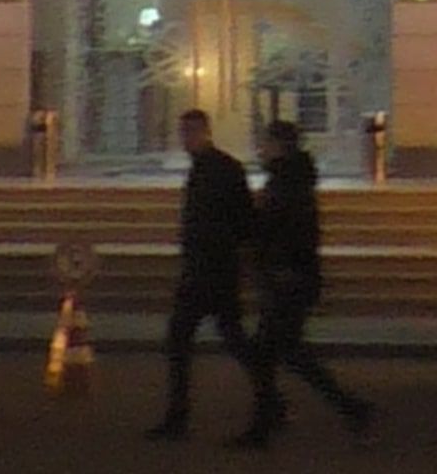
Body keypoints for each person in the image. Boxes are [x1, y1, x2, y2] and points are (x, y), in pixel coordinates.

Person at [238, 119, 376, 447]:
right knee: (281, 352)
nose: (260, 149)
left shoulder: (287, 184)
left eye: (265, 142)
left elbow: (286, 232)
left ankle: (343, 409)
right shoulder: (290, 180)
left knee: (275, 352)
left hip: (287, 280)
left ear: (279, 145)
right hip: (289, 278)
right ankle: (340, 409)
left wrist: (278, 265)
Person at [142, 106, 258, 439]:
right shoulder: (215, 168)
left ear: (205, 132)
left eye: (191, 132)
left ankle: (179, 417)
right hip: (211, 269)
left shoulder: (217, 169)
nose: (186, 139)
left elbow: (238, 221)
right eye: (183, 133)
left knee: (184, 339)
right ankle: (269, 399)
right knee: (229, 338)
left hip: (210, 270)